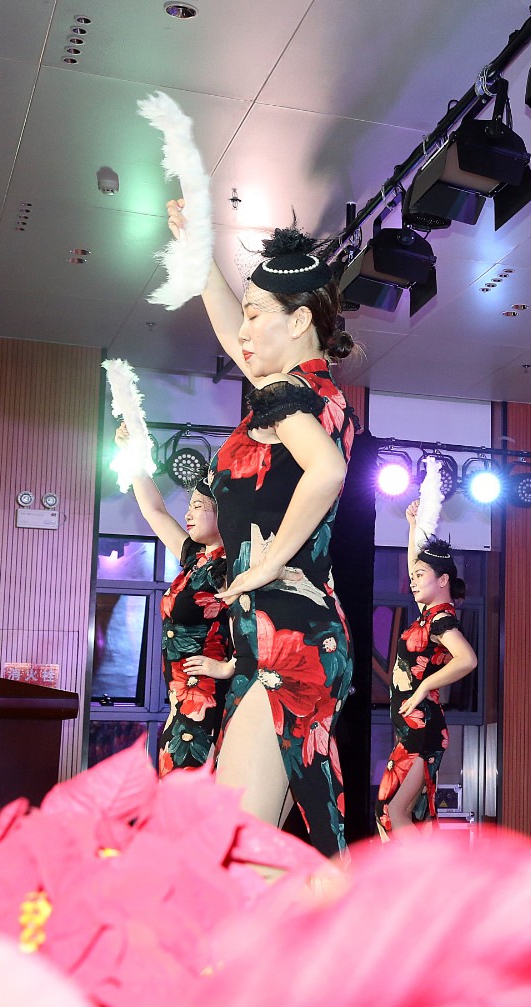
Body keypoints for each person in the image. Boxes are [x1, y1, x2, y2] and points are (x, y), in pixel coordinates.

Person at [169, 199, 358, 855]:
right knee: (261, 854)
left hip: (289, 640)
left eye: (256, 314)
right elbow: (234, 337)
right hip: (275, 638)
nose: (243, 330)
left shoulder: (286, 397)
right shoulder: (310, 391)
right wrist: (201, 257)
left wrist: (271, 561)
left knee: (233, 846)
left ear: (299, 321)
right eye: (245, 313)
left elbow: (328, 472)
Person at [116, 421, 230, 774]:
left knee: (189, 795)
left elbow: (259, 628)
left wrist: (227, 667)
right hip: (180, 701)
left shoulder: (234, 567)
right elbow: (155, 510)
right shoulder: (196, 558)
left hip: (207, 700)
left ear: (223, 512)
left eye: (198, 506)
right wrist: (134, 454)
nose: (188, 514)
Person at [377, 501, 478, 836]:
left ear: (443, 579)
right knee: (394, 812)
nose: (413, 581)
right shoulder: (429, 615)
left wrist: (423, 687)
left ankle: (424, 870)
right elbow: (415, 565)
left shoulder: (441, 620)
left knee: (392, 811)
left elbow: (468, 659)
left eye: (420, 576)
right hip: (414, 728)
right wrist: (412, 527)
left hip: (423, 729)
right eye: (413, 577)